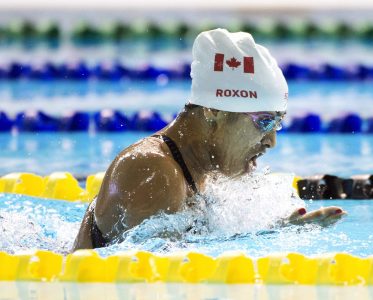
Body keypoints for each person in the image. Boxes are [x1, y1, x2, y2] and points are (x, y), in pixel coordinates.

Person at [72, 28, 346, 250]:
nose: (271, 141)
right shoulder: (155, 171)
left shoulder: (196, 171)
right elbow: (154, 280)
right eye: (264, 122)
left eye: (278, 123)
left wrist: (275, 231)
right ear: (213, 111)